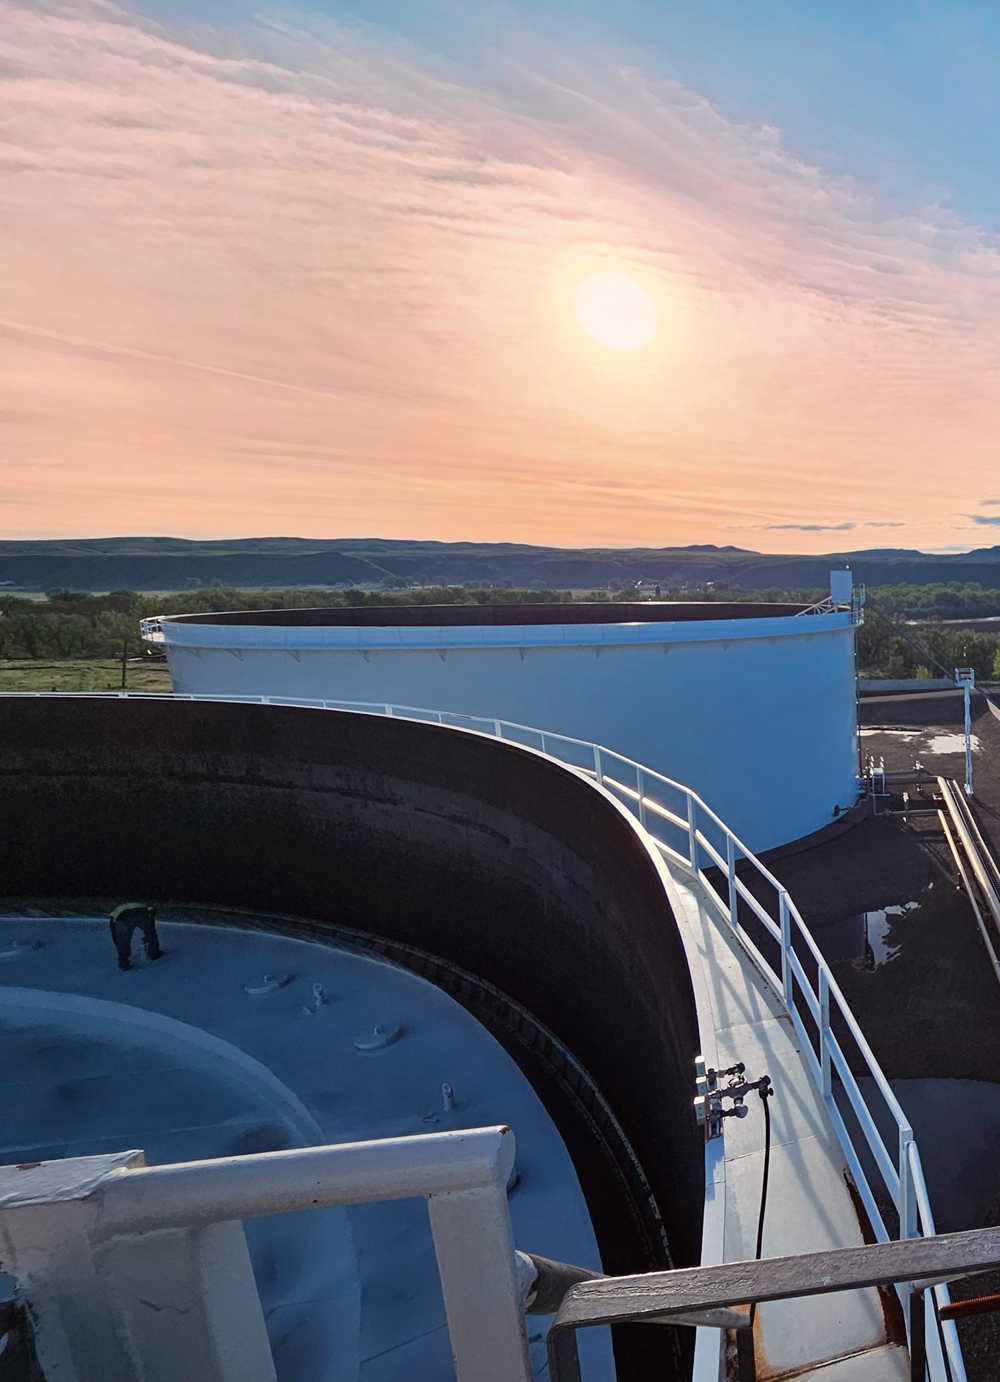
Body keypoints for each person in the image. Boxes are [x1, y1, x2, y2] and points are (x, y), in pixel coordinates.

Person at [109, 902, 163, 971]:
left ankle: (124, 963)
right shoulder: (141, 904)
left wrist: (119, 946)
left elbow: (115, 934)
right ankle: (153, 952)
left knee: (123, 941)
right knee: (150, 932)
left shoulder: (114, 914)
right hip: (144, 912)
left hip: (123, 916)